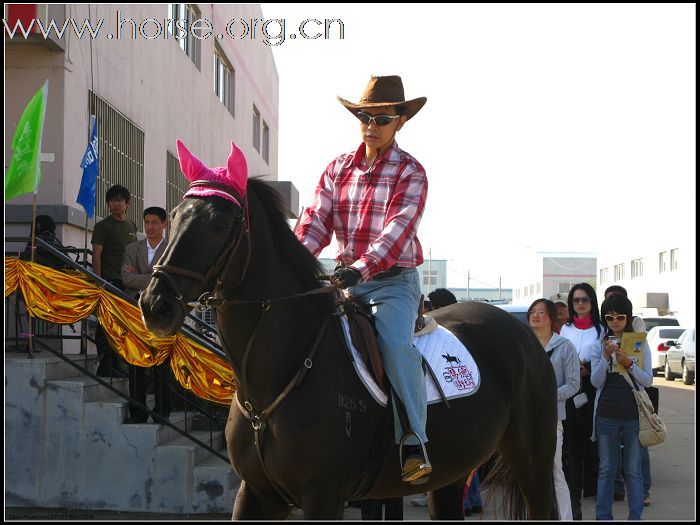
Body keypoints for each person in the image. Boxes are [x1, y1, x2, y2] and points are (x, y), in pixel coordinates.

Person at [295, 75, 430, 483]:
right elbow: (315, 221)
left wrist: (359, 268)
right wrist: (294, 262)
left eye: (382, 118)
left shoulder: (412, 172)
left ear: (400, 122)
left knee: (392, 342)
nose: (371, 124)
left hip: (392, 282)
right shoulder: (337, 169)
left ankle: (413, 441)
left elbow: (398, 230)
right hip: (346, 281)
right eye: (364, 116)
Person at [591, 293, 653, 520]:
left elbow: (647, 381)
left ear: (628, 317)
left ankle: (635, 517)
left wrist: (629, 364)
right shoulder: (599, 345)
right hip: (606, 415)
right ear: (604, 319)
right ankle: (603, 517)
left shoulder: (640, 344)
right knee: (607, 469)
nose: (615, 321)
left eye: (620, 316)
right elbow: (595, 383)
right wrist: (607, 359)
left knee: (633, 471)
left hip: (633, 415)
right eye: (609, 317)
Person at [528, 298, 580, 520]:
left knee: (556, 472)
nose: (536, 315)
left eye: (541, 312)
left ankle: (565, 517)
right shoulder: (523, 345)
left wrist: (548, 397)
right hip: (525, 421)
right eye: (533, 311)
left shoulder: (564, 346)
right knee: (528, 474)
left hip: (552, 419)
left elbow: (574, 384)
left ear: (552, 318)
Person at [121, 206, 172, 424]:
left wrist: (140, 276)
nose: (149, 227)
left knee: (162, 363)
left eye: (154, 223)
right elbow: (126, 278)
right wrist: (154, 277)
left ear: (164, 224)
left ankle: (162, 411)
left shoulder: (172, 249)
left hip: (163, 313)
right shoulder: (133, 249)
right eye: (147, 222)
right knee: (136, 362)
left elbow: (170, 281)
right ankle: (138, 411)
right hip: (136, 311)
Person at [559, 283, 604, 520]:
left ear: (592, 302)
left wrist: (589, 367)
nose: (580, 304)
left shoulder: (601, 330)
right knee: (573, 447)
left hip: (594, 388)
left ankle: (594, 490)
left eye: (585, 299)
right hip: (571, 391)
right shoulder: (565, 330)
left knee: (594, 446)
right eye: (576, 300)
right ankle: (574, 501)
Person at [91, 184, 138, 377]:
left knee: (123, 325)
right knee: (106, 323)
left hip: (129, 282)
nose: (115, 205)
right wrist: (99, 281)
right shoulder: (103, 226)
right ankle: (105, 363)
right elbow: (96, 255)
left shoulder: (132, 226)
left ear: (127, 204)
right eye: (112, 201)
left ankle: (117, 362)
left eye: (119, 201)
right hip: (110, 280)